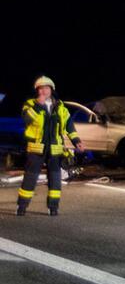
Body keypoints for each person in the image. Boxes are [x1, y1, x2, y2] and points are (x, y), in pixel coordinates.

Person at [17, 76, 85, 216]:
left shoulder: (60, 107)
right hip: (36, 148)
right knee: (30, 178)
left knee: (55, 179)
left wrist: (76, 140)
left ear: (51, 90)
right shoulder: (30, 104)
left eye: (46, 88)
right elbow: (27, 119)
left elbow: (69, 126)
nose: (44, 91)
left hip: (55, 149)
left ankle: (53, 207)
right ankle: (22, 207)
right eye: (41, 88)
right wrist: (38, 105)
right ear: (37, 90)